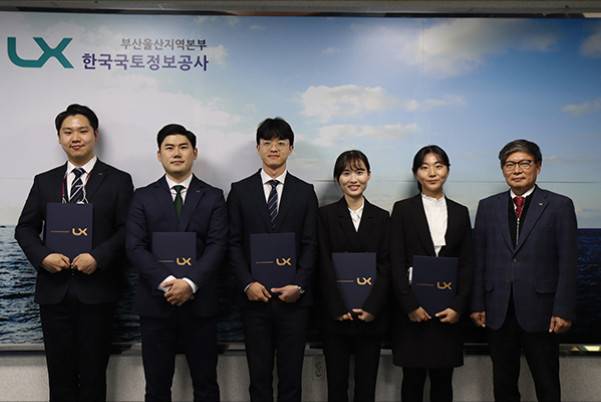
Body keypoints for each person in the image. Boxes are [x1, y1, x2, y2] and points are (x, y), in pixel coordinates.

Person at [14, 104, 133, 402]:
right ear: (59, 138)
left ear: (95, 134)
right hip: (54, 292)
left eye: (82, 131)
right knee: (59, 378)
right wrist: (43, 257)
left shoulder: (118, 180)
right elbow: (25, 228)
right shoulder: (44, 181)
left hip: (98, 291)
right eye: (68, 132)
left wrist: (99, 257)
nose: (75, 137)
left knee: (93, 377)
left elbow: (128, 230)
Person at [126, 124, 227, 402]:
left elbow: (218, 246)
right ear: (159, 154)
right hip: (156, 304)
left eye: (183, 147)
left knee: (206, 386)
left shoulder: (213, 196)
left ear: (195, 152)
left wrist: (190, 284)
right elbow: (135, 246)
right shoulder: (142, 196)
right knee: (157, 388)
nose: (177, 153)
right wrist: (170, 283)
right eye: (169, 148)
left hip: (200, 304)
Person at [470, 139, 576, 402]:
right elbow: (479, 259)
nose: (517, 170)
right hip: (498, 310)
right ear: (503, 169)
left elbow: (568, 262)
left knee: (547, 384)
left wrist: (563, 309)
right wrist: (477, 303)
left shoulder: (559, 205)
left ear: (538, 166)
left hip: (542, 311)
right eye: (510, 164)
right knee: (503, 385)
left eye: (524, 163)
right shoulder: (487, 206)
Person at [227, 117, 318, 402]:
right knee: (259, 379)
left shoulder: (305, 191)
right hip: (255, 301)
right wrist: (247, 284)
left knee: (291, 380)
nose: (274, 148)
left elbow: (311, 244)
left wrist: (299, 285)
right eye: (267, 142)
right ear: (258, 148)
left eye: (281, 142)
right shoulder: (240, 191)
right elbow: (233, 243)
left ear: (291, 148)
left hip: (294, 303)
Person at [390, 145, 472, 402]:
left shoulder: (460, 212)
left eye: (438, 166)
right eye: (425, 167)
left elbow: (467, 264)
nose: (432, 173)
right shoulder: (402, 209)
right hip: (413, 313)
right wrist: (410, 306)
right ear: (416, 173)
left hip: (448, 312)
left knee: (443, 382)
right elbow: (395, 262)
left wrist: (458, 306)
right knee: (412, 381)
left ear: (447, 170)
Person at [317, 150, 390, 402]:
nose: (353, 179)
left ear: (369, 175)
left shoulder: (382, 217)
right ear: (337, 178)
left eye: (359, 172)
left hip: (371, 317)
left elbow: (386, 266)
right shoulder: (324, 216)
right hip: (335, 316)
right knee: (336, 388)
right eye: (346, 173)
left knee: (366, 388)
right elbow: (323, 264)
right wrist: (338, 307)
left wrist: (372, 307)